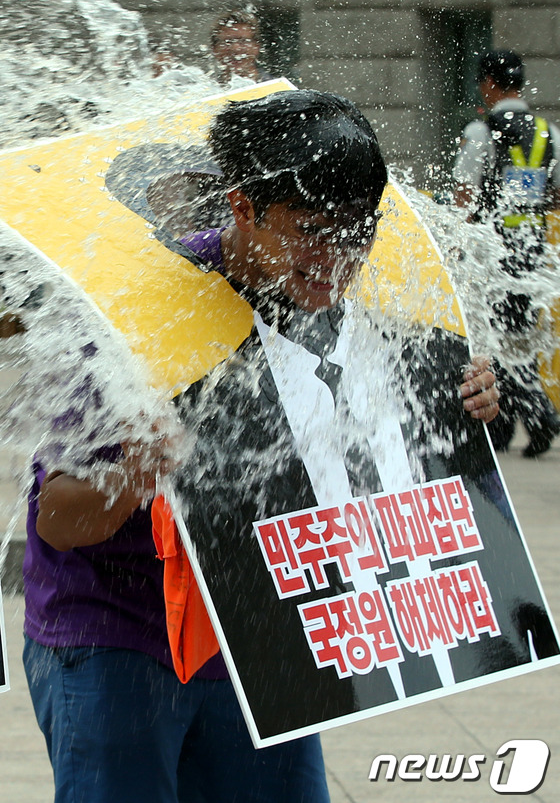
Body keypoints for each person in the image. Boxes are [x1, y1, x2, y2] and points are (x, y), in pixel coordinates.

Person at [23, 90, 499, 803]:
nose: (337, 258)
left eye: (358, 232)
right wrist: (137, 471)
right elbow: (56, 519)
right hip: (116, 639)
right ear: (243, 207)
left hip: (260, 639)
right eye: (310, 230)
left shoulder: (360, 318)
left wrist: (457, 402)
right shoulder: (139, 316)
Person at [453, 49, 560, 457]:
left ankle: (537, 417)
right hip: (531, 253)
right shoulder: (548, 132)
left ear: (488, 84)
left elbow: (464, 194)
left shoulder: (482, 132)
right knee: (515, 339)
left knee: (494, 341)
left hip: (490, 255)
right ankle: (505, 428)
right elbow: (557, 194)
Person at [210, 10, 271, 85]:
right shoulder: (206, 90)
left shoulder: (277, 89)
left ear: (257, 46)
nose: (235, 48)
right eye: (227, 42)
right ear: (214, 49)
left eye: (243, 41)